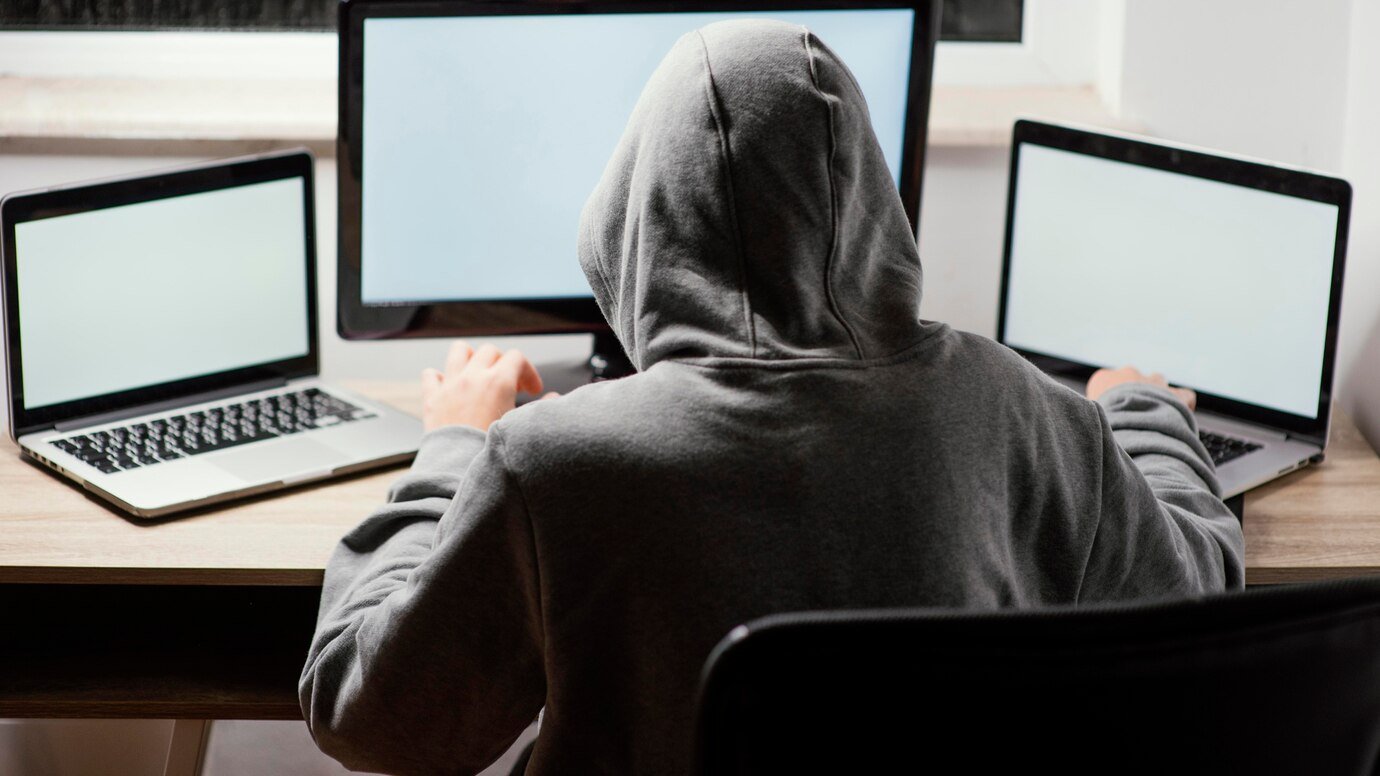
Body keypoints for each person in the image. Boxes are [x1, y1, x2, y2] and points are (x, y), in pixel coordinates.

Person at [299, 19, 1244, 775]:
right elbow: (1198, 595)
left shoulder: (552, 462)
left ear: (635, 220)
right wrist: (1142, 414)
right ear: (873, 202)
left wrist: (454, 447)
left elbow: (377, 723)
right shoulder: (1017, 410)